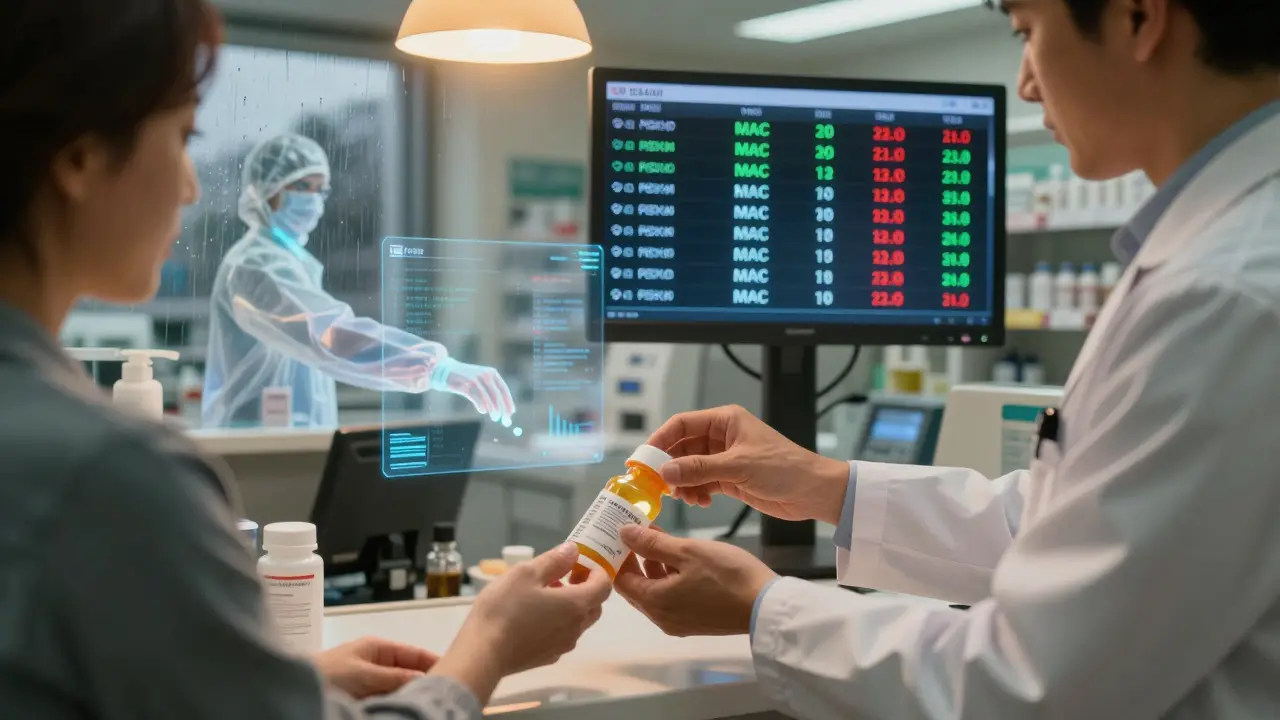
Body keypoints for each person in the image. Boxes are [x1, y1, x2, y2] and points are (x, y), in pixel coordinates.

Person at [611, 1, 1280, 717]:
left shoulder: (1226, 294)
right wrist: (826, 485)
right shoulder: (1217, 258)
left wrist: (764, 607)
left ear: (1140, 18)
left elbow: (1029, 686)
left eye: (1028, 34)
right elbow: (1068, 530)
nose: (1026, 82)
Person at [0, 1, 610, 718]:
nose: (194, 187)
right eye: (183, 136)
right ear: (80, 155)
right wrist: (489, 648)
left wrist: (285, 683)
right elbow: (333, 334)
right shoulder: (114, 475)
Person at [203, 133, 515, 428]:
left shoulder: (291, 263)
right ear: (266, 191)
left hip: (286, 443)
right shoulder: (254, 266)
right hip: (252, 449)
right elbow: (329, 335)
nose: (314, 200)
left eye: (320, 189)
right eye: (301, 186)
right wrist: (437, 369)